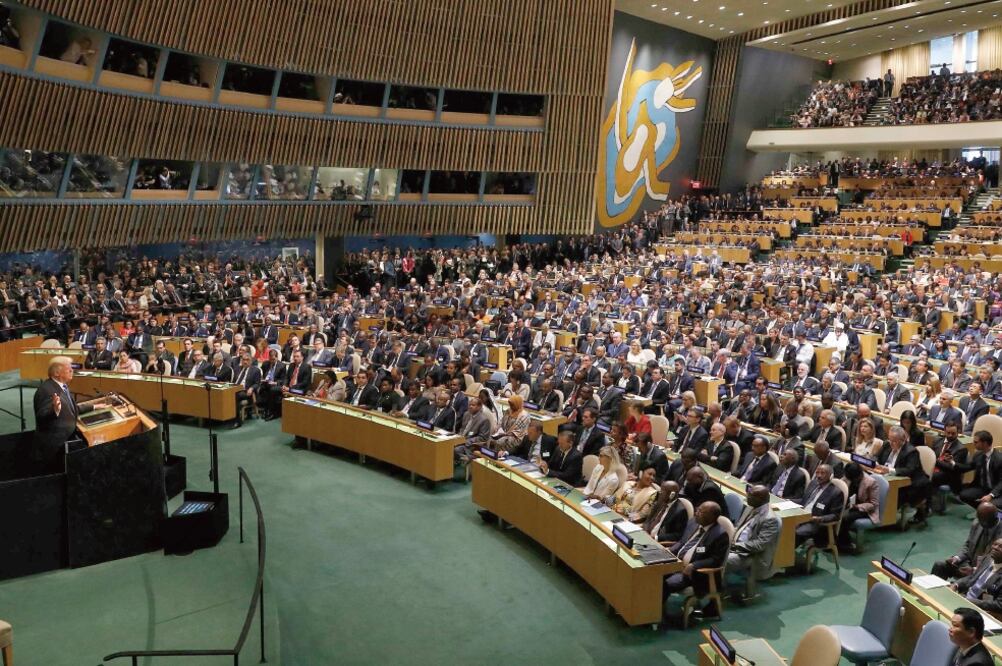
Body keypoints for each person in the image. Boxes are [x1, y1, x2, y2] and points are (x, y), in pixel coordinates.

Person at [32, 356, 105, 472]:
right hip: (55, 449)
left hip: (65, 443)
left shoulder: (62, 386)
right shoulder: (46, 390)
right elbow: (42, 416)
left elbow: (71, 408)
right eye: (69, 369)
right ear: (57, 373)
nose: (72, 371)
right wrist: (54, 410)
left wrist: (94, 406)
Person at [664, 501, 729, 616]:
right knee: (652, 573)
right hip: (676, 563)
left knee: (665, 584)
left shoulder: (719, 535)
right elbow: (682, 542)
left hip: (694, 574)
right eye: (697, 509)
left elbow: (715, 560)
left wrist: (694, 565)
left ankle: (655, 615)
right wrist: (669, 551)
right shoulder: (693, 522)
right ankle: (651, 608)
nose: (696, 513)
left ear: (712, 517)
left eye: (701, 512)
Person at [932, 502, 1002, 581]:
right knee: (939, 565)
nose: (979, 522)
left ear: (992, 519)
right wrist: (956, 558)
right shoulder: (977, 523)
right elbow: (968, 545)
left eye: (982, 520)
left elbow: (996, 563)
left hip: (985, 573)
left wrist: (974, 570)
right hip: (968, 564)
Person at [727, 485, 781, 584]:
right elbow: (739, 527)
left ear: (760, 499)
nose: (747, 496)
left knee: (720, 559)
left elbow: (759, 545)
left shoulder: (770, 519)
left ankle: (714, 589)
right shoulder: (750, 507)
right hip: (736, 547)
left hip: (751, 555)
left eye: (751, 495)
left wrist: (735, 546)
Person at [796, 464, 844, 547]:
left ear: (830, 476)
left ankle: (785, 557)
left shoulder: (836, 493)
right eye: (817, 473)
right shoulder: (813, 483)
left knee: (795, 533)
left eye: (822, 473)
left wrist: (820, 518)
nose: (818, 476)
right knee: (782, 524)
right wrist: (788, 501)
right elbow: (804, 500)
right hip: (800, 516)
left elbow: (835, 515)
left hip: (816, 523)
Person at [835, 462, 879, 553]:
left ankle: (844, 544)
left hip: (865, 510)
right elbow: (840, 486)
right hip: (849, 506)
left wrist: (857, 506)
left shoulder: (871, 482)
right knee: (834, 512)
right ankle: (833, 540)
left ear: (859, 474)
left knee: (844, 517)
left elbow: (873, 504)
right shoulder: (848, 477)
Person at [953, 538, 1002, 614]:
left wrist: (972, 602)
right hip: (964, 597)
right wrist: (956, 584)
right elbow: (973, 577)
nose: (995, 547)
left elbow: (999, 604)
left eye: (1000, 547)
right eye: (995, 544)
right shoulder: (988, 558)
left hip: (981, 610)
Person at [959, 431, 1002, 508]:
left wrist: (991, 495)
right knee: (963, 495)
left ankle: (984, 511)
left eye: (976, 442)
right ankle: (980, 510)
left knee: (989, 506)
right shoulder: (978, 455)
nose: (973, 444)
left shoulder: (999, 459)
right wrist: (952, 463)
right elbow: (968, 467)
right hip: (983, 488)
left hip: (997, 491)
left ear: (985, 443)